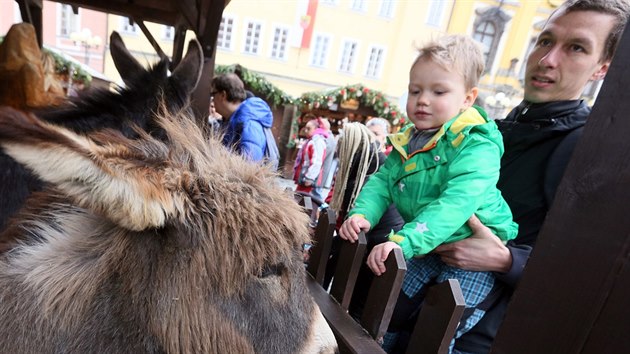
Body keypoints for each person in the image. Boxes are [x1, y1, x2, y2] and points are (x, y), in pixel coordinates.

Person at [432, 1, 630, 353]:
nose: (547, 59)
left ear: (602, 68)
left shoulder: (584, 149)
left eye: (576, 48)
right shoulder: (500, 128)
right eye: (545, 40)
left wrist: (508, 260)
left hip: (479, 337)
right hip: (428, 308)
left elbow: (589, 273)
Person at [339, 34, 518, 352]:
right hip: (429, 245)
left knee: (443, 329)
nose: (422, 100)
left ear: (467, 98)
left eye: (439, 91)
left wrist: (403, 241)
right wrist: (363, 213)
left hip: (474, 252)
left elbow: (456, 203)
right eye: (415, 90)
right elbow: (383, 181)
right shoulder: (408, 142)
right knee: (391, 308)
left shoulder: (475, 143)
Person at [211, 73, 273, 162]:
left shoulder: (249, 122)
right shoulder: (233, 120)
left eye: (213, 94)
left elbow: (249, 164)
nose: (212, 100)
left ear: (223, 95)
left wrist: (218, 152)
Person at [293, 118, 330, 198]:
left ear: (316, 129)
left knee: (303, 201)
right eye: (305, 128)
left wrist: (309, 178)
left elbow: (317, 162)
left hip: (308, 179)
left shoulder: (317, 141)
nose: (306, 131)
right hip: (305, 176)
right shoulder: (313, 140)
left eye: (309, 128)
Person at [313, 117, 337, 202]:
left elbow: (318, 157)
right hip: (320, 172)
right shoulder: (328, 137)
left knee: (316, 195)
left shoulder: (326, 138)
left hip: (319, 173)